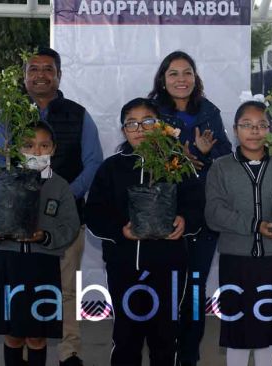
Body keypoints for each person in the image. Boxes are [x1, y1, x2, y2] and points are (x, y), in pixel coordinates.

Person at [85, 97, 203, 366]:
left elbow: (197, 206)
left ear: (159, 126)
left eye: (147, 121)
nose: (140, 128)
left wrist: (185, 220)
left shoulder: (177, 164)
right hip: (124, 268)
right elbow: (93, 214)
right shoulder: (111, 168)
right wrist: (120, 230)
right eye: (131, 123)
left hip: (170, 268)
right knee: (126, 338)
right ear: (123, 130)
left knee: (165, 337)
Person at [205, 100, 272, 366]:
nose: (254, 131)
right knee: (238, 331)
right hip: (238, 262)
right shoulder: (221, 167)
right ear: (235, 130)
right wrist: (255, 225)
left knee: (271, 331)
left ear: (271, 130)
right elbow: (214, 213)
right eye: (246, 125)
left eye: (261, 125)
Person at [18, 47, 103, 366]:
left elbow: (94, 161)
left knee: (66, 288)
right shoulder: (8, 113)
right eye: (33, 68)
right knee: (23, 287)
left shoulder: (78, 114)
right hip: (19, 222)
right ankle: (23, 345)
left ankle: (69, 352)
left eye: (48, 69)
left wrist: (64, 195)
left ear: (59, 75)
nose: (41, 74)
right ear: (25, 76)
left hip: (66, 220)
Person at [148, 50, 232, 366]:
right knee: (167, 291)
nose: (181, 79)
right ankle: (163, 355)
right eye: (174, 73)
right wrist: (186, 155)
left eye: (187, 73)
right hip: (164, 212)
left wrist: (204, 154)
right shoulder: (152, 113)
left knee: (194, 292)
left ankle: (189, 357)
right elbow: (150, 165)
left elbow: (224, 155)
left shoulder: (209, 111)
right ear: (163, 79)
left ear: (195, 78)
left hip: (202, 212)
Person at [0, 121, 80, 366]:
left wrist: (45, 236)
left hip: (43, 267)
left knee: (37, 336)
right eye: (29, 145)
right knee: (13, 335)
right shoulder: (3, 182)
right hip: (8, 266)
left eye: (44, 145)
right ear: (16, 149)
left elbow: (70, 226)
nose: (37, 151)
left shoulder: (60, 186)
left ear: (53, 149)